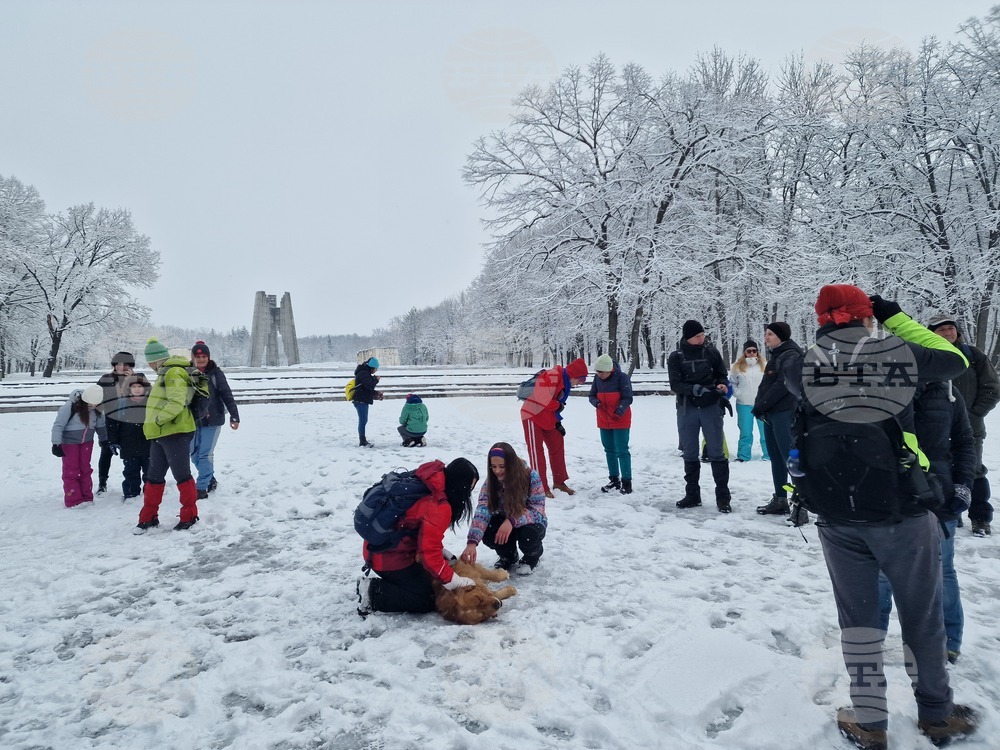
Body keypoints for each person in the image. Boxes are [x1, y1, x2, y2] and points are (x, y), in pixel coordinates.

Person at [791, 285, 978, 748]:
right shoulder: (898, 355)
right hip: (903, 510)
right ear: (867, 316)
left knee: (858, 621)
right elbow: (955, 359)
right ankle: (936, 714)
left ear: (821, 319)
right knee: (922, 616)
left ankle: (871, 721)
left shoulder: (802, 365)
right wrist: (895, 317)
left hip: (837, 516)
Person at [878, 380, 976, 664]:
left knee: (942, 570)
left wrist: (964, 484)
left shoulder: (948, 393)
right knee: (881, 572)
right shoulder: (882, 388)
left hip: (939, 497)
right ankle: (871, 635)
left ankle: (948, 640)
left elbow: (964, 442)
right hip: (888, 497)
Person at [356, 458, 480, 615]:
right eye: (469, 488)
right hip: (388, 558)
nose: (468, 494)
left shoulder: (431, 481)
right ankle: (372, 592)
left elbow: (420, 531)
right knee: (425, 599)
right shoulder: (438, 505)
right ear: (459, 486)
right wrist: (454, 581)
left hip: (379, 547)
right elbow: (429, 553)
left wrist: (440, 552)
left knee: (430, 579)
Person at [926, 314, 1000, 536]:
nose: (947, 333)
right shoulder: (927, 356)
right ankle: (952, 513)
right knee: (942, 470)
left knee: (973, 469)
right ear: (931, 333)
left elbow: (992, 388)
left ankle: (980, 517)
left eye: (951, 328)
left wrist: (974, 414)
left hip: (970, 429)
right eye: (941, 330)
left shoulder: (973, 355)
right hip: (935, 428)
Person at [133, 338, 200, 534]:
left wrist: (158, 420)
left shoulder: (173, 372)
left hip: (175, 432)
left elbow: (176, 402)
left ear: (156, 359)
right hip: (161, 433)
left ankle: (189, 516)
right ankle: (148, 517)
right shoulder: (165, 373)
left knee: (182, 475)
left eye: (150, 361)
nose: (149, 365)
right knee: (153, 476)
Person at [668, 320, 731, 513]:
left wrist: (722, 384)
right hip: (687, 408)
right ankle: (692, 495)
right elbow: (675, 384)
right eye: (697, 336)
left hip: (711, 407)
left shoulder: (712, 353)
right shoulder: (676, 357)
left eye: (703, 335)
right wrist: (694, 389)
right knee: (690, 452)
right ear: (688, 337)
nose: (702, 338)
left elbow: (722, 374)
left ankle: (723, 497)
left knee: (717, 452)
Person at [462, 442, 548, 575]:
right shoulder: (491, 481)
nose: (497, 471)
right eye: (493, 466)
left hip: (530, 523)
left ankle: (532, 556)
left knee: (528, 535)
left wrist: (512, 521)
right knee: (489, 531)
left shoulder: (530, 476)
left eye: (502, 466)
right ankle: (509, 556)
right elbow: (483, 510)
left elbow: (537, 511)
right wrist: (472, 542)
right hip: (505, 522)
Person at [753, 323, 805, 521]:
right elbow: (766, 385)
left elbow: (783, 385)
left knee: (791, 459)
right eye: (765, 334)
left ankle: (801, 505)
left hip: (785, 413)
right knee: (776, 458)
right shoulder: (777, 355)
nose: (766, 337)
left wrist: (761, 405)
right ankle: (781, 499)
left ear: (781, 336)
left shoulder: (790, 355)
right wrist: (760, 405)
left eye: (770, 334)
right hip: (771, 414)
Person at [520, 357, 589, 498]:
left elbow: (555, 404)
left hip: (548, 418)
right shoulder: (553, 375)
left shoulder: (565, 382)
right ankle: (540, 487)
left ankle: (559, 482)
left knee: (557, 445)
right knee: (537, 453)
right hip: (532, 415)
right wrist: (558, 406)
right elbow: (542, 398)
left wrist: (558, 423)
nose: (579, 383)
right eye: (581, 379)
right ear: (574, 375)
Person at [189, 341, 240, 499]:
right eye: (198, 357)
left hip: (213, 419)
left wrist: (234, 415)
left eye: (204, 356)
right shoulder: (187, 372)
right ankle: (210, 478)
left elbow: (226, 394)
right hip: (192, 420)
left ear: (209, 357)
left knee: (205, 455)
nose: (201, 359)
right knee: (193, 454)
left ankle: (201, 487)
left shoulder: (216, 373)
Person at [50, 384, 107, 508]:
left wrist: (104, 440)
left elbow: (101, 426)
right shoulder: (71, 406)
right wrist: (56, 444)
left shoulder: (97, 409)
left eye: (95, 405)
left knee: (85, 469)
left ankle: (87, 497)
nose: (92, 407)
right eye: (90, 405)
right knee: (71, 471)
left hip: (87, 442)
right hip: (69, 443)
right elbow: (58, 425)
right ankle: (73, 499)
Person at [588, 353, 634, 493]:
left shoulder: (622, 378)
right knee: (609, 450)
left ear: (609, 369)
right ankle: (614, 479)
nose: (599, 374)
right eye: (597, 372)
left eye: (602, 372)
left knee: (622, 450)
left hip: (619, 419)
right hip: (604, 419)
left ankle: (626, 482)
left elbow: (628, 398)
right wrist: (596, 403)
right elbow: (591, 396)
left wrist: (619, 410)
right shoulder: (597, 378)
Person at [95, 351, 135, 494]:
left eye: (126, 364)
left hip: (130, 423)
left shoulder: (138, 378)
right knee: (106, 452)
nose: (122, 367)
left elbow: (144, 396)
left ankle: (133, 484)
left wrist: (131, 381)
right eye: (119, 364)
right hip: (110, 421)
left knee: (132, 454)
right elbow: (96, 396)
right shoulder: (106, 379)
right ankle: (102, 482)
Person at [106, 373, 152, 500]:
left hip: (149, 443)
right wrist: (113, 441)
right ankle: (131, 493)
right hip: (128, 444)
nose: (137, 389)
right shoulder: (122, 403)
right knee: (130, 471)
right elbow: (111, 422)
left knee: (150, 471)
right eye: (134, 387)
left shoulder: (151, 402)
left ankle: (151, 494)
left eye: (140, 386)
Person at [729, 341, 768, 463]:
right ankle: (743, 456)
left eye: (754, 351)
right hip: (743, 404)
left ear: (757, 352)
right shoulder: (737, 367)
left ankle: (768, 455)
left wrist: (766, 397)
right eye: (749, 351)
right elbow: (732, 384)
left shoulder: (765, 365)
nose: (751, 353)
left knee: (765, 432)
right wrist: (739, 394)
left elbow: (770, 383)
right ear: (744, 352)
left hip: (762, 404)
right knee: (745, 432)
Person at [353, 357, 383, 447]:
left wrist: (376, 393)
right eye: (376, 369)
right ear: (372, 367)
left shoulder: (365, 373)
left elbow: (366, 388)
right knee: (363, 421)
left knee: (363, 420)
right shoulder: (363, 373)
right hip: (360, 400)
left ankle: (363, 440)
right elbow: (369, 385)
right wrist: (376, 380)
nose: (376, 371)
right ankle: (362, 441)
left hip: (362, 399)